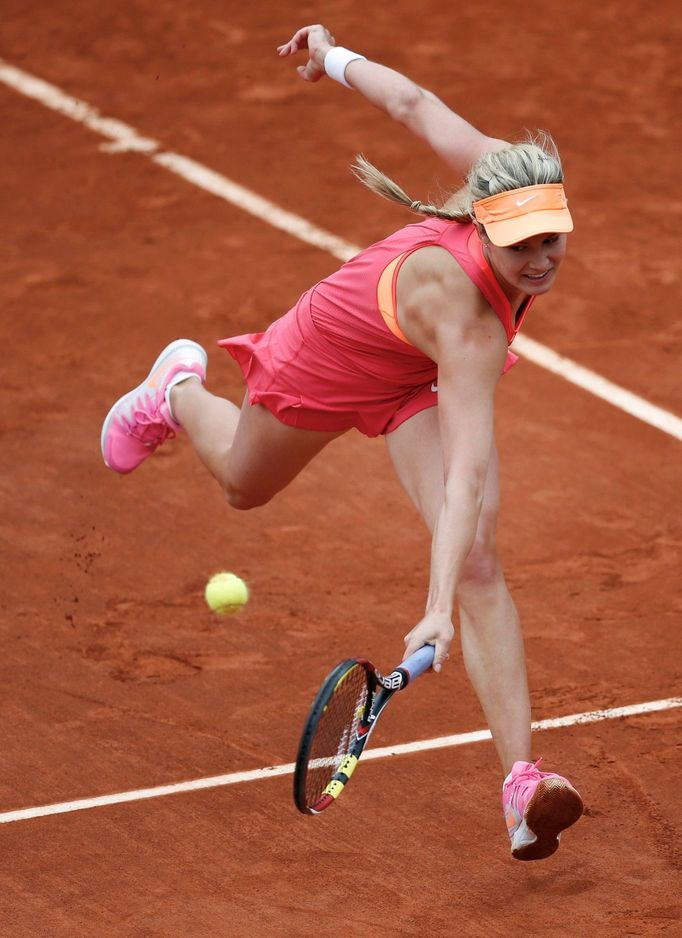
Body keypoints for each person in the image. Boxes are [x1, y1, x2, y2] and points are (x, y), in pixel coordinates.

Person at [100, 24, 583, 860]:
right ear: (488, 228)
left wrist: (332, 58)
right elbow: (465, 471)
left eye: (553, 239)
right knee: (245, 486)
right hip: (332, 353)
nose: (544, 260)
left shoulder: (510, 173)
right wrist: (434, 611)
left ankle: (522, 784)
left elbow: (412, 102)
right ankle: (175, 390)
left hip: (413, 377)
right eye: (525, 248)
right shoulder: (465, 323)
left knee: (478, 561)